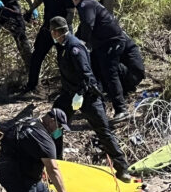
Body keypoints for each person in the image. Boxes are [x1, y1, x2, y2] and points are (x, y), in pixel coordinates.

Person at [48, 16, 131, 181]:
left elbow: (86, 74)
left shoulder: (74, 47)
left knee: (103, 131)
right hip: (70, 95)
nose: (52, 35)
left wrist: (81, 94)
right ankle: (58, 164)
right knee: (55, 123)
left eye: (52, 32)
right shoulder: (62, 46)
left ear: (56, 32)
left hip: (87, 96)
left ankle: (122, 168)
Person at [71, 0, 145, 122]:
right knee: (97, 71)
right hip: (105, 44)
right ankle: (99, 106)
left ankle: (121, 109)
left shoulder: (85, 3)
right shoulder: (91, 4)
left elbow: (87, 25)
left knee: (110, 72)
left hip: (112, 42)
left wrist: (83, 44)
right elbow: (81, 30)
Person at [22, 0, 75, 95]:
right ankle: (32, 86)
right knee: (37, 56)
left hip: (62, 30)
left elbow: (71, 12)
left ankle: (68, 88)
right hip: (48, 28)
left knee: (64, 59)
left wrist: (65, 31)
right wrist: (30, 10)